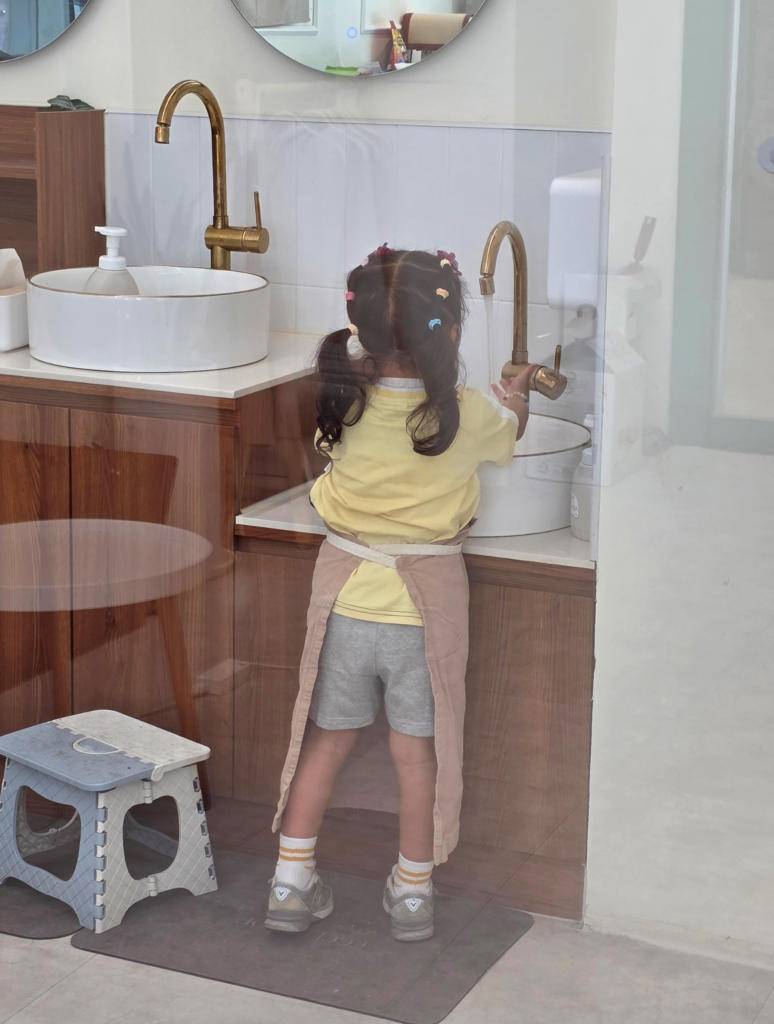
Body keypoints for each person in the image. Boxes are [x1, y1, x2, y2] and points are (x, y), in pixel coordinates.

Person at [265, 246, 537, 941]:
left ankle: (290, 882)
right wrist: (518, 399)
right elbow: (509, 436)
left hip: (347, 602)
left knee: (324, 742)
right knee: (418, 752)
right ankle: (413, 893)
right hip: (424, 613)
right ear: (447, 331)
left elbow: (336, 474)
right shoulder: (467, 413)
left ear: (360, 328)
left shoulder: (345, 401)